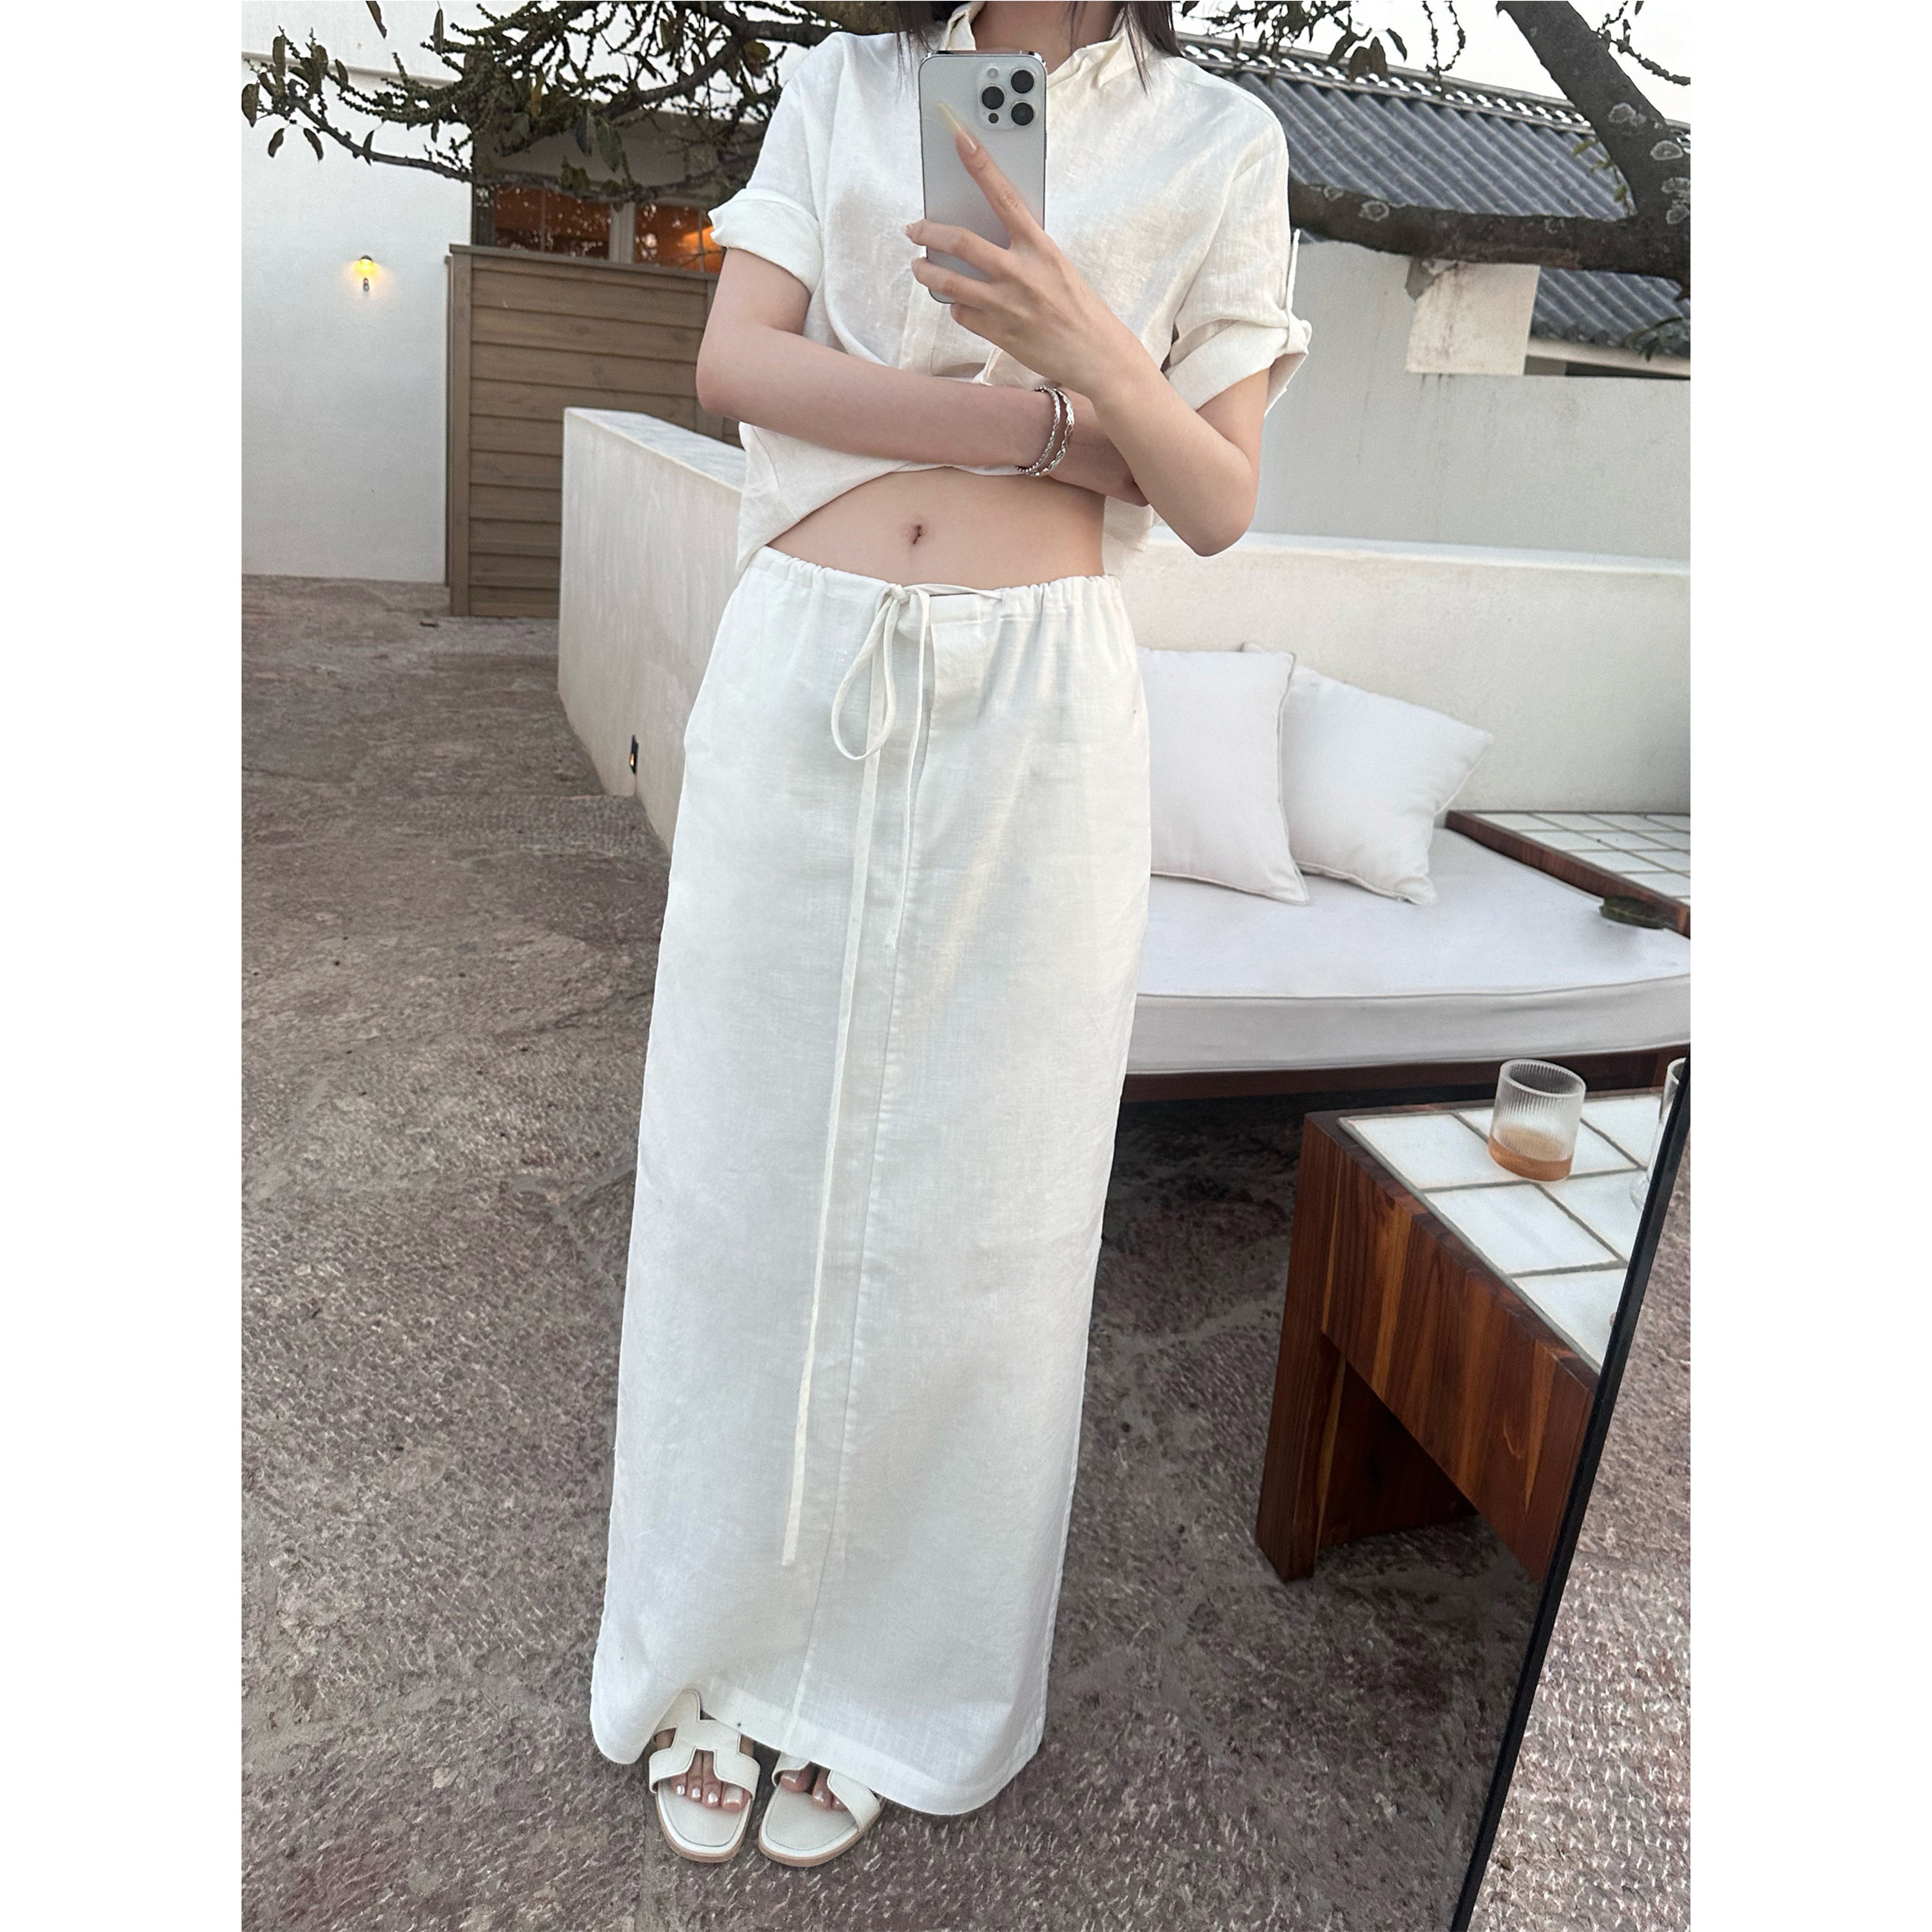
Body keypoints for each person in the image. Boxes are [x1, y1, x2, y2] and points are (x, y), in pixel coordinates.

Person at [589, 0, 1309, 1867]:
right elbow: (735, 365)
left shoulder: (1219, 140)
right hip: (801, 672)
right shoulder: (838, 85)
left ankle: (889, 1677)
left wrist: (1086, 340)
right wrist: (1058, 420)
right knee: (741, 1183)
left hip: (1041, 711)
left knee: (987, 1215)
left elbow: (1216, 496)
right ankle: (715, 1649)